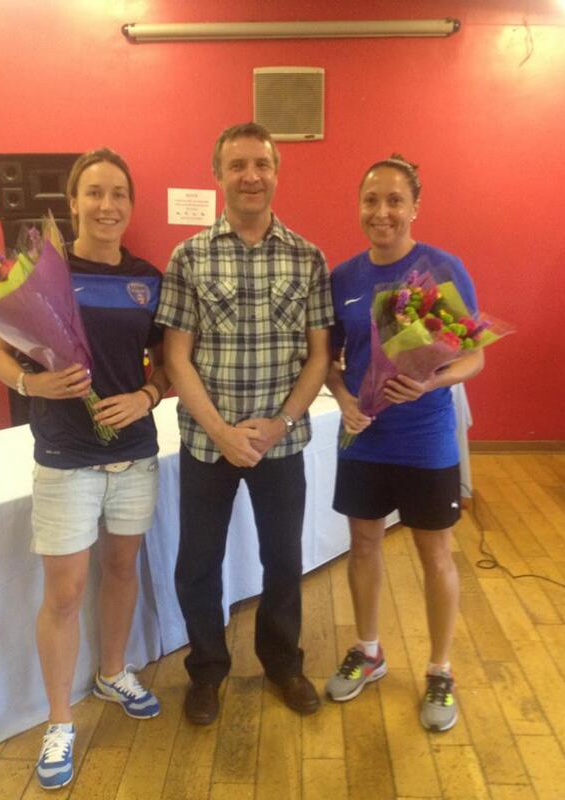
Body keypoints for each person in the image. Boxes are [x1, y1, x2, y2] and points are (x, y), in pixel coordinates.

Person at [0, 147, 170, 790]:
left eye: (118, 193)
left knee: (122, 570)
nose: (106, 205)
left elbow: (170, 363)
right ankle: (60, 721)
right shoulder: (43, 275)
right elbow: (0, 358)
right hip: (66, 458)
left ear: (130, 205)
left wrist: (147, 395)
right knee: (64, 593)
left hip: (133, 455)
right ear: (72, 204)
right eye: (93, 192)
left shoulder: (150, 277)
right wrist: (34, 389)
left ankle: (113, 669)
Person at [156, 122, 333, 724]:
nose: (250, 175)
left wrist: (280, 424)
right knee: (196, 564)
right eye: (237, 165)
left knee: (283, 558)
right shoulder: (189, 256)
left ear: (276, 172)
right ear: (219, 174)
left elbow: (319, 355)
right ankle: (207, 671)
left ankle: (283, 663)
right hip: (208, 441)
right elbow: (175, 355)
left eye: (261, 163)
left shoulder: (308, 256)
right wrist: (223, 430)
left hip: (281, 443)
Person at [325, 154, 484, 732]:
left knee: (434, 554)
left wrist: (431, 380)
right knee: (363, 545)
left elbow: (474, 355)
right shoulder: (342, 278)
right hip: (364, 439)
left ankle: (440, 670)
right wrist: (341, 397)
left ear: (415, 207)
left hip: (426, 440)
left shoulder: (442, 267)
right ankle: (369, 651)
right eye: (372, 200)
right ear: (360, 207)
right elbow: (330, 362)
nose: (382, 211)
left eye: (395, 200)